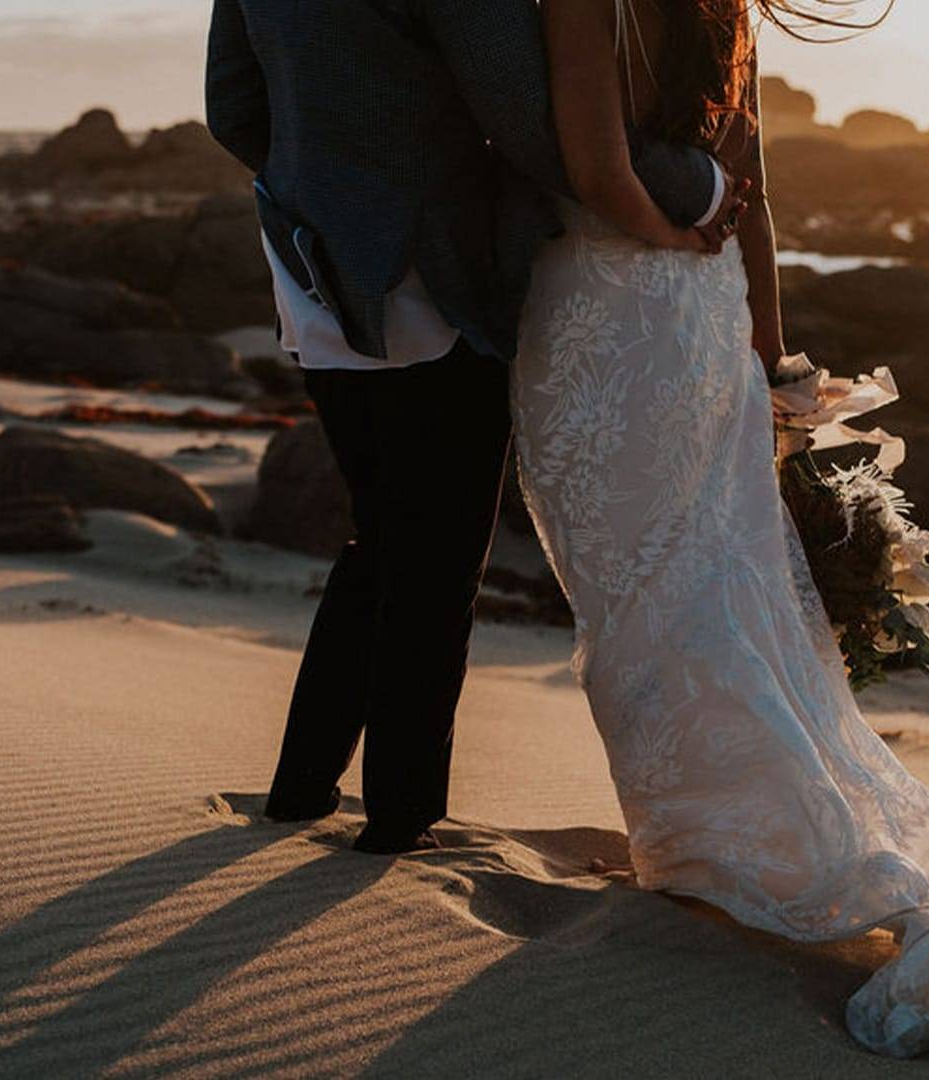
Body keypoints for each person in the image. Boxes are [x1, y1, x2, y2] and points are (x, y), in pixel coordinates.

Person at [505, 0, 929, 1056]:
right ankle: (708, 839)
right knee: (710, 578)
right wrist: (768, 358)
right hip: (703, 316)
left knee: (639, 604)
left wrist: (665, 232)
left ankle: (714, 849)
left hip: (602, 318)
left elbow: (596, 172)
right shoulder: (723, 11)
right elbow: (751, 195)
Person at [205, 0, 749, 855]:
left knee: (382, 535)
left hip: (312, 265)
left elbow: (232, 106)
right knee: (436, 560)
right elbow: (531, 123)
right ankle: (399, 819)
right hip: (433, 274)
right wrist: (701, 190)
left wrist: (330, 183)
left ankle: (301, 788)